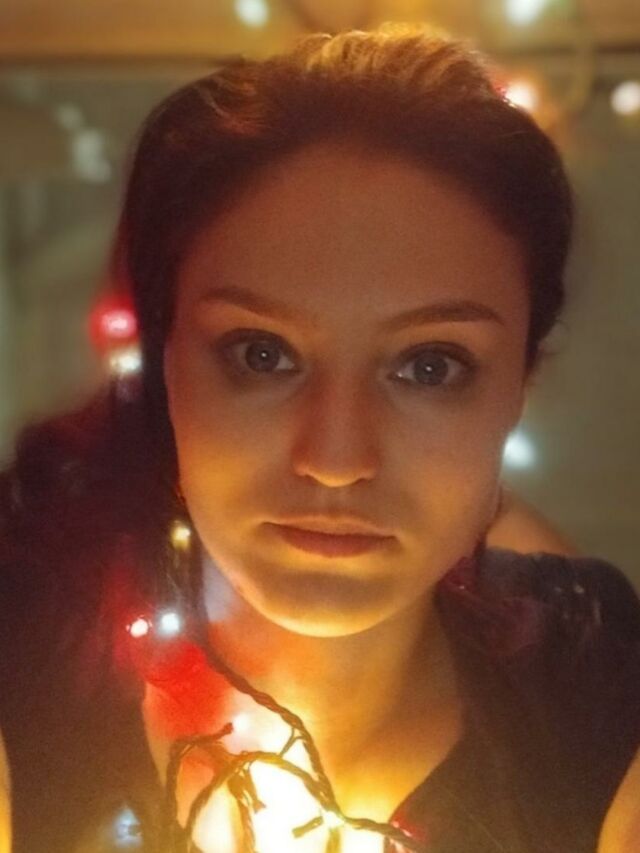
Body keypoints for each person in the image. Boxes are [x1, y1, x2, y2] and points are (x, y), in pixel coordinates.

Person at [0, 23, 638, 853]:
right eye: (261, 354)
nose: (336, 461)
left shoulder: (591, 682)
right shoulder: (28, 656)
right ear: (167, 370)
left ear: (519, 386)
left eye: (431, 366)